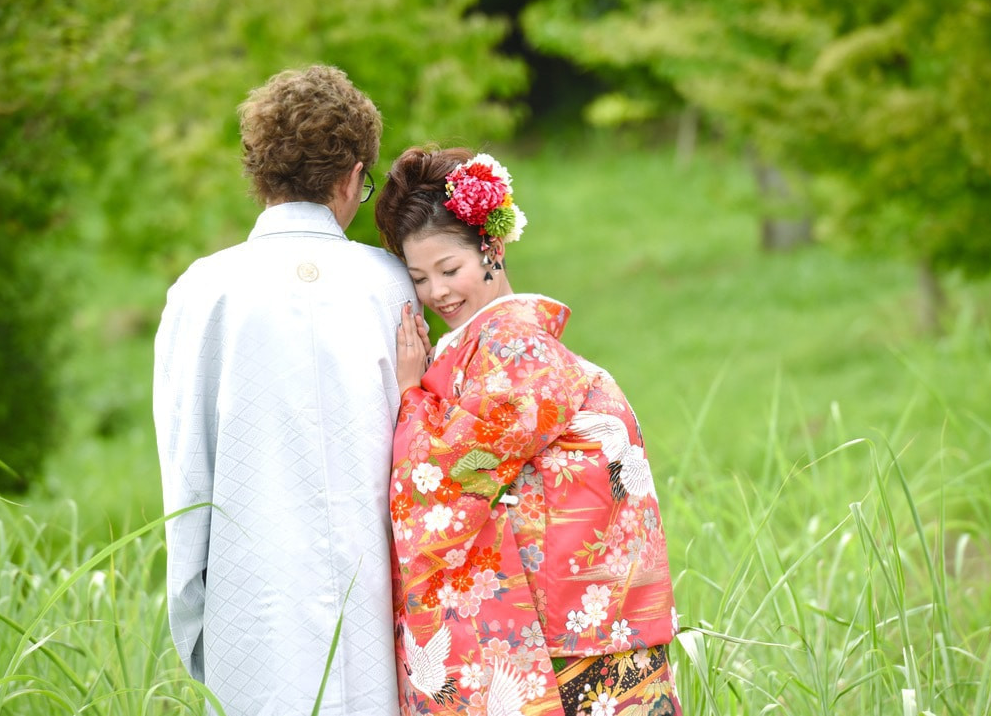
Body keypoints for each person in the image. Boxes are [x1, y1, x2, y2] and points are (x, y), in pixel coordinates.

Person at [374, 147, 682, 716]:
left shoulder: (517, 348)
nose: (438, 293)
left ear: (490, 248)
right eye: (419, 278)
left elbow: (446, 475)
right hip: (575, 627)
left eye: (450, 269)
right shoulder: (495, 346)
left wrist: (412, 394)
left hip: (571, 638)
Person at [153, 65, 414, 715]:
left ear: (260, 171)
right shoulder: (388, 285)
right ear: (353, 175)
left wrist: (195, 622)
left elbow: (186, 482)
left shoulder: (201, 292)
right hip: (376, 608)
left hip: (250, 611)